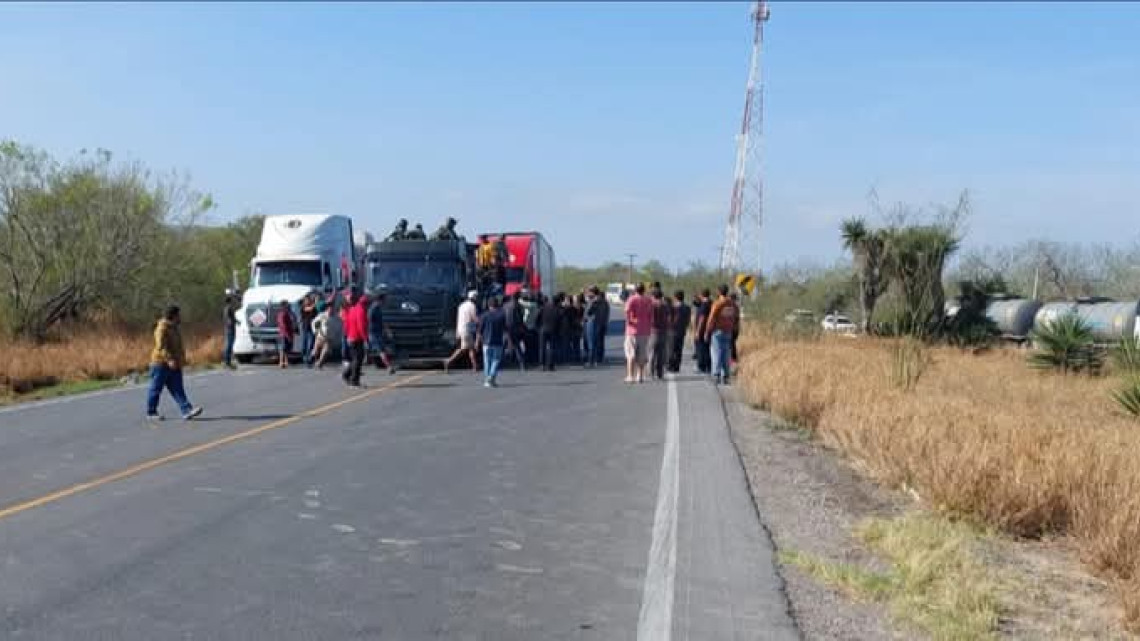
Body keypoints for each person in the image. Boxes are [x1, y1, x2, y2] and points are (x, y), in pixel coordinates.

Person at [146, 305, 203, 422]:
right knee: (156, 389)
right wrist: (169, 359)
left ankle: (186, 410)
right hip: (160, 364)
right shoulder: (161, 328)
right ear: (173, 316)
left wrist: (181, 360)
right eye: (178, 315)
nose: (180, 317)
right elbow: (161, 346)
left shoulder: (174, 327)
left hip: (174, 363)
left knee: (178, 388)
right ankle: (151, 412)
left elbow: (177, 346)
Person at [705, 284, 740, 385]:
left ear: (719, 292)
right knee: (726, 353)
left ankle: (716, 375)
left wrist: (707, 331)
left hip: (718, 331)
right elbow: (737, 318)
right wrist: (735, 329)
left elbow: (711, 318)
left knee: (716, 353)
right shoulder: (733, 304)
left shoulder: (718, 303)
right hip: (728, 331)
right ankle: (726, 376)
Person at [624, 283, 653, 383]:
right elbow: (651, 314)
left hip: (633, 330)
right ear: (644, 290)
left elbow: (627, 310)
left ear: (635, 290)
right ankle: (640, 375)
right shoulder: (648, 300)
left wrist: (629, 321)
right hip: (645, 330)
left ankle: (630, 376)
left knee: (630, 353)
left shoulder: (632, 299)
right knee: (642, 354)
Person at [444, 291, 480, 373]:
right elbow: (474, 318)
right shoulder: (472, 306)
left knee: (469, 347)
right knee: (465, 348)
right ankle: (448, 361)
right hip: (467, 329)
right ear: (474, 297)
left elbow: (458, 319)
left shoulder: (461, 305)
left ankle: (475, 366)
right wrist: (480, 322)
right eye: (476, 297)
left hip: (461, 328)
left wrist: (457, 331)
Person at [477, 296, 507, 388]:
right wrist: (508, 341)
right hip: (498, 342)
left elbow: (479, 331)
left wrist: (477, 341)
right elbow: (505, 330)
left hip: (486, 342)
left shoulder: (484, 315)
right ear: (497, 304)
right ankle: (492, 377)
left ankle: (488, 380)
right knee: (496, 360)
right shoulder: (502, 315)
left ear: (488, 305)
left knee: (487, 361)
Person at [342, 292, 369, 387]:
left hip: (351, 337)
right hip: (357, 337)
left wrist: (347, 335)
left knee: (355, 359)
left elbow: (347, 323)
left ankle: (346, 375)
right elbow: (361, 326)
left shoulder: (352, 309)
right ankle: (354, 381)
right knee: (358, 360)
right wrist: (365, 338)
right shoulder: (361, 310)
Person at [367, 292, 396, 374]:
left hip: (378, 332)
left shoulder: (377, 308)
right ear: (381, 299)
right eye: (385, 299)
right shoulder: (374, 308)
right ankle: (389, 366)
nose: (385, 301)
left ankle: (388, 365)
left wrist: (386, 329)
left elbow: (381, 321)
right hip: (374, 332)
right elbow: (369, 320)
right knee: (381, 350)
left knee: (381, 349)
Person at [649, 287, 672, 380]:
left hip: (654, 331)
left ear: (653, 296)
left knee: (652, 353)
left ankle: (651, 373)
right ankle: (660, 373)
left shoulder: (652, 305)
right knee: (661, 353)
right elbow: (668, 318)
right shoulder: (665, 305)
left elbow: (652, 319)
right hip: (664, 331)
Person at [536, 292, 562, 372]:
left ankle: (542, 365)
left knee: (542, 348)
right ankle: (551, 365)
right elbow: (559, 322)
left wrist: (539, 327)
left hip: (543, 329)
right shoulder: (558, 310)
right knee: (552, 348)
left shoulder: (544, 307)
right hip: (553, 330)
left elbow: (537, 318)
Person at [668, 290, 691, 373]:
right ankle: (677, 366)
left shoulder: (673, 307)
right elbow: (688, 320)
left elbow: (670, 319)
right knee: (679, 349)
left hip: (673, 330)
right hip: (682, 331)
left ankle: (671, 366)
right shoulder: (687, 307)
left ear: (675, 297)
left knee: (671, 349)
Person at [503, 291, 526, 371]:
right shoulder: (519, 306)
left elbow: (503, 316)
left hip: (506, 328)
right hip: (515, 328)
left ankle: (501, 363)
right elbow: (521, 318)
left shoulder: (505, 305)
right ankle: (521, 364)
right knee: (517, 346)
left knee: (503, 345)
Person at [693, 288, 713, 374]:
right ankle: (708, 366)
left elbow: (702, 318)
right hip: (708, 329)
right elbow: (696, 303)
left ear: (702, 295)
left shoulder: (704, 305)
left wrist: (698, 331)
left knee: (701, 348)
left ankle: (701, 366)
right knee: (706, 348)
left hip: (702, 329)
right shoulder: (710, 303)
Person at [520, 289, 540, 366]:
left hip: (528, 327)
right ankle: (532, 359)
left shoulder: (531, 305)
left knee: (528, 345)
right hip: (532, 327)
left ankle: (529, 359)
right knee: (531, 345)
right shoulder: (534, 306)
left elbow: (522, 303)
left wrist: (520, 298)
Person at [583, 287, 602, 368]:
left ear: (593, 293)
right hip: (595, 322)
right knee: (594, 342)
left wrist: (585, 317)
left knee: (591, 343)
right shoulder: (598, 301)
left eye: (589, 292)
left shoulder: (593, 302)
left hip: (591, 322)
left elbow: (587, 313)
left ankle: (591, 361)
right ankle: (594, 361)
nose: (587, 294)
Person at [275, 300, 297, 368]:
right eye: (287, 305)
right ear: (284, 306)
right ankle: (281, 362)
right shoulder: (283, 314)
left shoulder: (286, 313)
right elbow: (283, 325)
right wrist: (288, 335)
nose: (288, 306)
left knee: (286, 349)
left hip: (286, 333)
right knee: (283, 348)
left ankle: (286, 362)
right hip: (284, 334)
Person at [311, 300, 332, 369]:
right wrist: (315, 331)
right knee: (315, 351)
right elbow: (314, 322)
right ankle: (312, 360)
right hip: (320, 335)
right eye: (329, 308)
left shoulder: (335, 316)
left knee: (326, 350)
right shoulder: (322, 315)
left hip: (328, 337)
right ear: (327, 308)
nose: (331, 310)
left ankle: (320, 363)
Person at [299, 293, 317, 368]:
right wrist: (315, 302)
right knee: (305, 344)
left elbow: (316, 313)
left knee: (311, 344)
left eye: (309, 299)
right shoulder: (303, 307)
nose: (308, 301)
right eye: (306, 300)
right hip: (305, 328)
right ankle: (305, 358)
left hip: (312, 328)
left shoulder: (314, 308)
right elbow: (309, 309)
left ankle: (309, 359)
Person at [221, 293, 239, 369]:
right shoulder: (229, 308)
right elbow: (230, 318)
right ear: (230, 301)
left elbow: (228, 318)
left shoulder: (225, 308)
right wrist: (232, 323)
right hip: (230, 328)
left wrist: (237, 321)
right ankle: (227, 362)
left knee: (228, 344)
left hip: (227, 328)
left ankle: (226, 361)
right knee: (229, 345)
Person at [594, 287, 610, 366]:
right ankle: (601, 357)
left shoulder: (597, 302)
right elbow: (607, 314)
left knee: (597, 341)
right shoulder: (606, 303)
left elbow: (591, 312)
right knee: (601, 341)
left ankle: (598, 358)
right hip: (603, 323)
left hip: (598, 323)